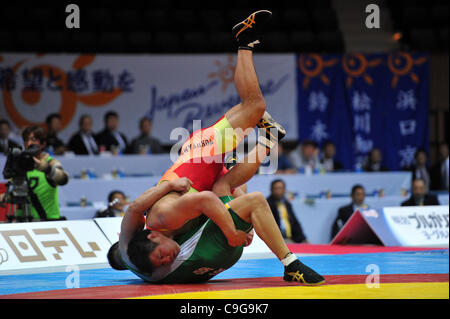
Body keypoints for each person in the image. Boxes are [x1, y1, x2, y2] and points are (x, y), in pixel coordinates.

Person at [112, 10, 324, 286]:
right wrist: (244, 227)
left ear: (153, 237)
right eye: (163, 264)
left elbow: (202, 202)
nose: (168, 261)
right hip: (208, 179)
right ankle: (270, 135)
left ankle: (243, 40)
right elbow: (212, 199)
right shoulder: (151, 246)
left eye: (161, 257)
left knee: (254, 106)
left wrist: (232, 233)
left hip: (201, 156)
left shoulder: (164, 216)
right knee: (231, 187)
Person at [11, 126, 69, 221]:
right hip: (23, 222)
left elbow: (64, 179)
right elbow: (16, 193)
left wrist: (44, 167)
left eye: (33, 140)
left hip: (47, 222)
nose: (29, 143)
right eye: (26, 140)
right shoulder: (20, 164)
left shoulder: (50, 162)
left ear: (43, 144)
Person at [266, 179, 308, 243]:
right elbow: (269, 227)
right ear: (271, 190)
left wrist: (302, 238)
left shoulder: (287, 204)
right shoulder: (267, 205)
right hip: (277, 239)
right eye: (276, 188)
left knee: (307, 243)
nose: (278, 191)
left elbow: (295, 223)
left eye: (280, 188)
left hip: (291, 238)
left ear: (284, 190)